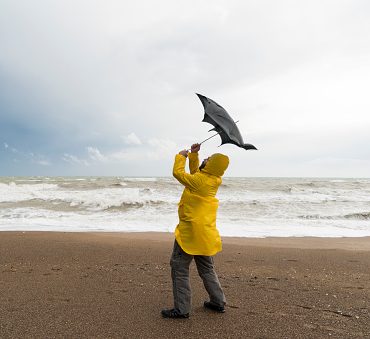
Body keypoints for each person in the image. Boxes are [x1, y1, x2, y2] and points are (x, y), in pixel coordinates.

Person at [161, 143, 230, 319]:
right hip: (205, 234)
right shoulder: (212, 179)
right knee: (207, 269)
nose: (206, 159)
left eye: (208, 159)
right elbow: (196, 175)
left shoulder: (200, 181)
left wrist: (181, 156)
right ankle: (218, 301)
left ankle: (182, 309)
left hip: (190, 233)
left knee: (179, 267)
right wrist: (194, 156)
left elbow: (179, 174)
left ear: (212, 166)